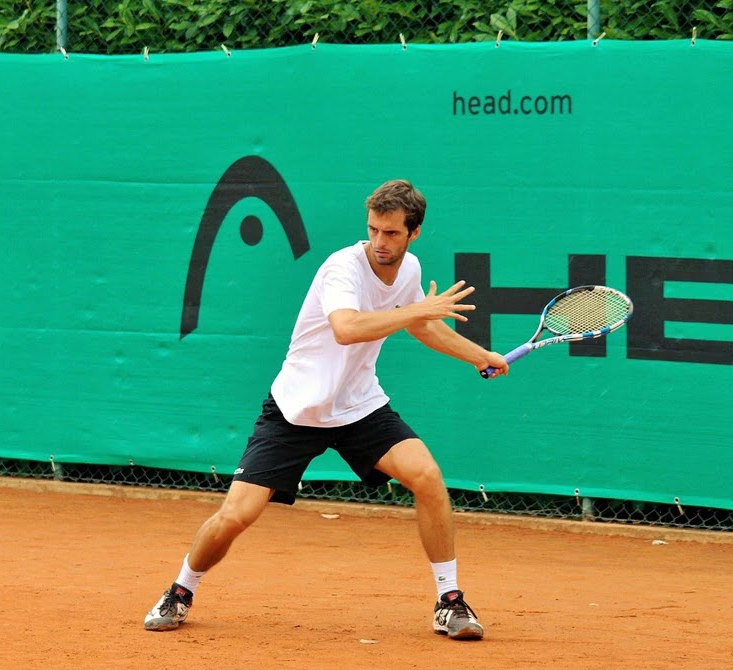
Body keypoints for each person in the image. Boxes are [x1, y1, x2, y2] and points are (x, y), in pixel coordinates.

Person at [144, 179, 509, 640]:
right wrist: (418, 312)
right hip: (297, 409)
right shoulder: (343, 267)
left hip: (359, 405)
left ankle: (449, 602)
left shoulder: (410, 269)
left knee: (428, 478)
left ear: (413, 233)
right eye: (374, 230)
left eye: (392, 233)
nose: (380, 242)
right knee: (236, 516)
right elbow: (347, 328)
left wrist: (478, 354)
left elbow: (424, 328)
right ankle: (181, 590)